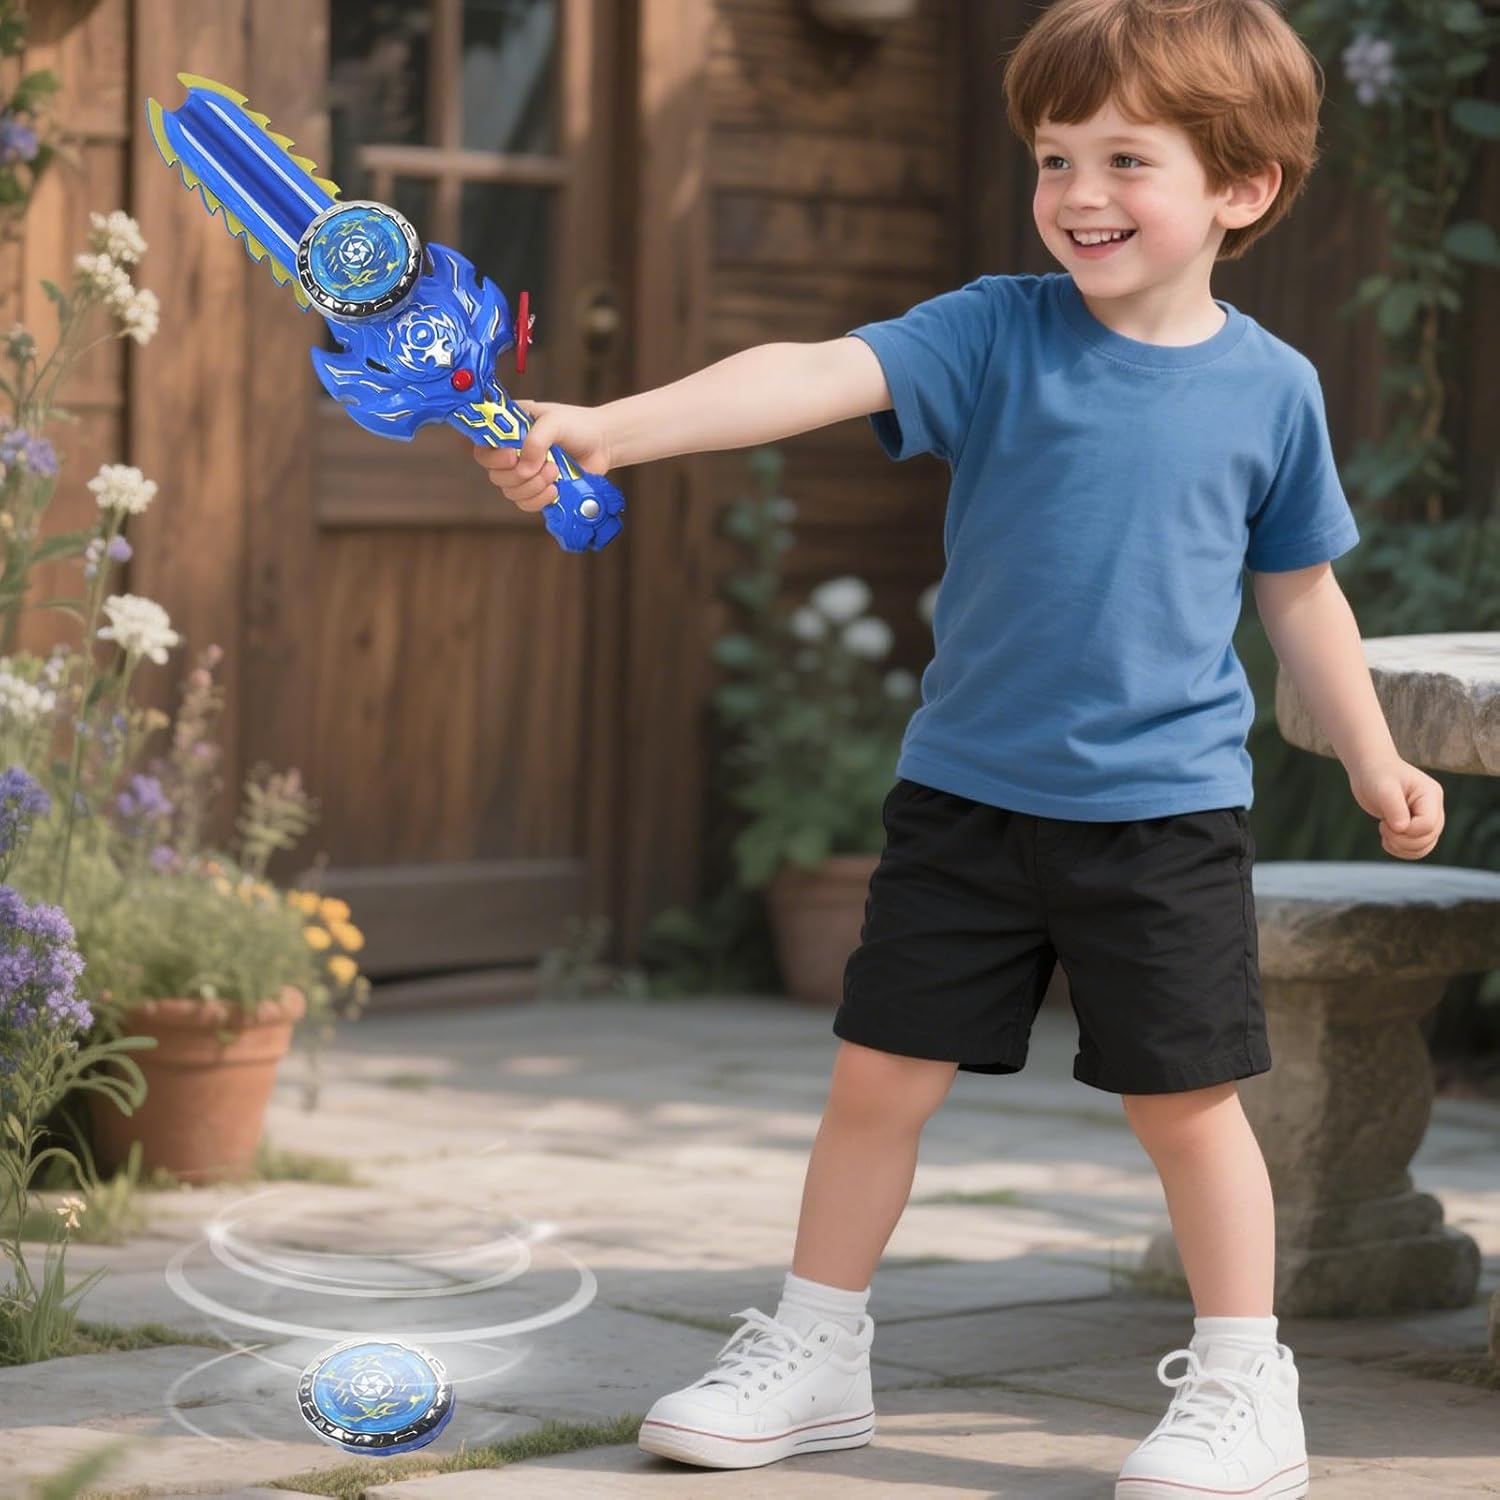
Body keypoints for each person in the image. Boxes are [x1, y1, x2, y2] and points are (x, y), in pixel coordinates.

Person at [473, 0, 1446, 1492]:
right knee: (877, 1079)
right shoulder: (996, 329)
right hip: (965, 801)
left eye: (1126, 159)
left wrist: (1372, 759)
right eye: (1055, 158)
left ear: (1243, 188)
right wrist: (613, 425)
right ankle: (817, 1348)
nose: (1079, 193)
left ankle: (1246, 1384)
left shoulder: (1274, 390)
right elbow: (808, 371)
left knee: (1186, 1108)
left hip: (1163, 818)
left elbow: (1300, 591)